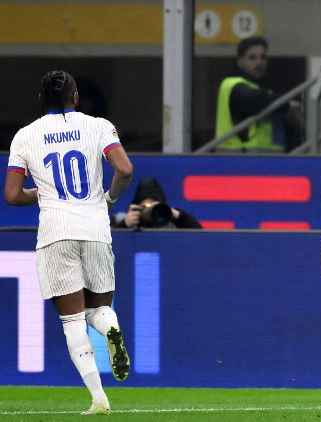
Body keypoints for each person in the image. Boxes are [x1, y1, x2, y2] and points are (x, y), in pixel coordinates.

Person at [4, 70, 133, 415]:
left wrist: (40, 192)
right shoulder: (98, 126)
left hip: (55, 232)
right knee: (99, 309)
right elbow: (125, 168)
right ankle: (111, 327)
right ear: (75, 97)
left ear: (41, 101)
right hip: (95, 228)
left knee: (73, 321)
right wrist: (110, 197)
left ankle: (99, 398)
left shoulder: (25, 136)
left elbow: (12, 195)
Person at [214, 36, 300, 153]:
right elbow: (255, 101)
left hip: (264, 159)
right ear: (240, 62)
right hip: (237, 159)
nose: (259, 62)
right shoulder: (233, 84)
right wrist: (287, 104)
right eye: (252, 58)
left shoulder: (260, 88)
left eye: (263, 57)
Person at [114, 177, 202, 229]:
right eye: (145, 206)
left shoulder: (170, 224)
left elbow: (201, 236)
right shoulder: (122, 219)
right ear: (136, 206)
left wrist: (178, 216)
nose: (149, 210)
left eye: (153, 205)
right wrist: (124, 225)